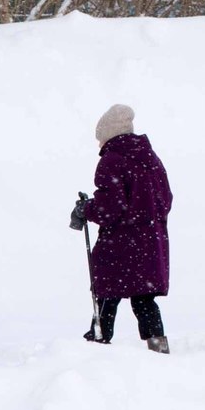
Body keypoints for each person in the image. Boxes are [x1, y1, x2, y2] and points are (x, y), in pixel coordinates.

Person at [71, 103, 173, 353]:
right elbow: (166, 198)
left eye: (100, 139)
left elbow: (110, 208)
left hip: (119, 245)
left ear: (110, 134)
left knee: (106, 294)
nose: (99, 145)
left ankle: (98, 343)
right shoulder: (150, 157)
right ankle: (158, 347)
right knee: (144, 299)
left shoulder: (112, 160)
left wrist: (87, 209)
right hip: (150, 242)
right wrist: (146, 219)